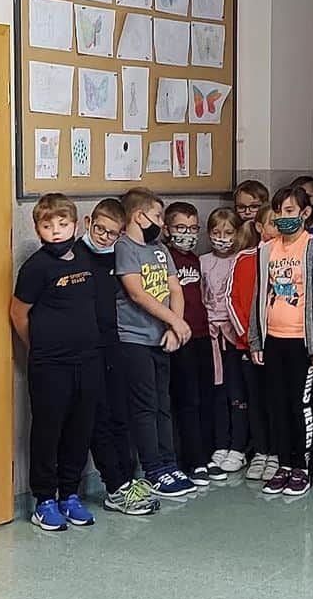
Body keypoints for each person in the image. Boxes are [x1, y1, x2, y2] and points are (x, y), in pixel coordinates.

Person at [11, 194, 102, 531]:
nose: (56, 231)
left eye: (63, 225)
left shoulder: (85, 260)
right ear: (38, 230)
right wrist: (39, 348)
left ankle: (70, 494)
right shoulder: (36, 268)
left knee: (79, 430)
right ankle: (44, 500)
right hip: (50, 365)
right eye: (48, 226)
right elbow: (18, 314)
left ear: (75, 225)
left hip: (87, 361)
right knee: (48, 432)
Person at [249, 186, 313, 496]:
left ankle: (301, 466)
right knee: (277, 404)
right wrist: (256, 340)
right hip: (273, 339)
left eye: (289, 211)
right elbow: (259, 295)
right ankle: (283, 464)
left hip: (302, 341)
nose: (282, 217)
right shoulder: (266, 250)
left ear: (304, 213)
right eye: (278, 212)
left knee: (300, 404)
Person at [79, 199, 159, 516]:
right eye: (100, 229)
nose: (104, 237)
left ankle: (127, 480)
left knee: (120, 414)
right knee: (97, 419)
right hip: (86, 350)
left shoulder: (118, 256)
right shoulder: (76, 255)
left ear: (121, 233)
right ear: (88, 222)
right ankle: (115, 486)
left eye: (112, 233)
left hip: (116, 345)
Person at [115, 187, 196, 498]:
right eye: (158, 216)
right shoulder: (125, 248)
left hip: (162, 339)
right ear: (139, 216)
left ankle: (168, 463)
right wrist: (176, 321)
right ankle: (153, 469)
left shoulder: (160, 249)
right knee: (145, 407)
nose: (162, 224)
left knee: (163, 404)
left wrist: (175, 328)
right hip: (134, 340)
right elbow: (137, 293)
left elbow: (175, 289)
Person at [164, 201, 222, 488]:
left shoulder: (195, 260)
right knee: (187, 400)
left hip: (202, 335)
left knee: (206, 396)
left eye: (192, 228)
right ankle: (193, 459)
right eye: (180, 228)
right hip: (180, 337)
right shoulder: (165, 258)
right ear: (166, 229)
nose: (187, 234)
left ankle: (207, 455)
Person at [228, 204, 279, 481]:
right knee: (256, 400)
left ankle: (278, 453)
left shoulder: (289, 258)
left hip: (281, 344)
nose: (277, 228)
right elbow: (231, 300)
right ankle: (261, 451)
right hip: (250, 346)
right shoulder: (244, 258)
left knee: (278, 400)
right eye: (272, 223)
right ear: (259, 227)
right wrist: (249, 339)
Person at [201, 207, 249, 474]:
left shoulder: (240, 260)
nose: (222, 238)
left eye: (228, 232)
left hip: (235, 336)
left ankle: (238, 447)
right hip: (210, 337)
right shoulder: (202, 262)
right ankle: (221, 443)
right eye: (216, 232)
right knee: (217, 393)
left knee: (237, 393)